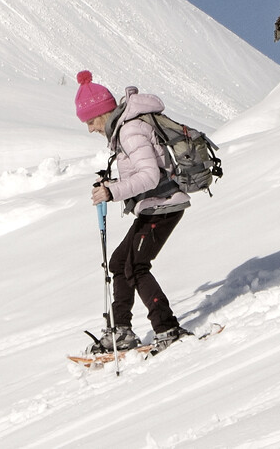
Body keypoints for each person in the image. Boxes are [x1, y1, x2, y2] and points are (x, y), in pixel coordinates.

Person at [77, 70, 192, 354]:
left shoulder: (129, 130)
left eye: (91, 121)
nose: (90, 128)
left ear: (103, 113)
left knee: (136, 266)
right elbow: (143, 175)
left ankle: (168, 328)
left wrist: (112, 192)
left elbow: (150, 177)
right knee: (119, 263)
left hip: (164, 204)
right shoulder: (125, 130)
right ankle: (121, 330)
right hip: (154, 205)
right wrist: (113, 184)